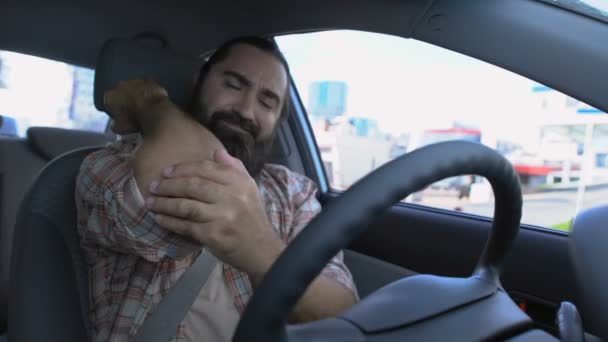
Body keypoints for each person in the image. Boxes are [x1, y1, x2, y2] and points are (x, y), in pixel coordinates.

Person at [75, 36, 358, 342]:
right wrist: (152, 102)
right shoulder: (114, 163)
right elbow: (156, 206)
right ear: (200, 82)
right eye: (233, 85)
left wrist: (260, 249)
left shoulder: (294, 192)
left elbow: (341, 315)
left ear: (278, 120)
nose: (246, 111)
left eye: (266, 101)